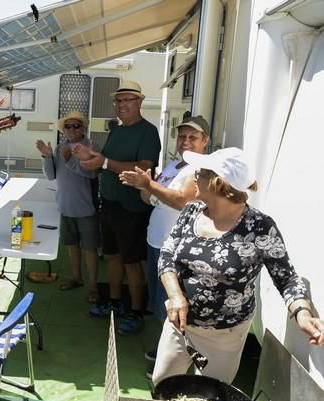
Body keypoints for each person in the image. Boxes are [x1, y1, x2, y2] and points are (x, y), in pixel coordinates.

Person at [153, 147, 324, 385]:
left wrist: (302, 314)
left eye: (201, 171)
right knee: (163, 383)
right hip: (180, 327)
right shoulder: (192, 211)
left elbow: (286, 278)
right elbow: (167, 254)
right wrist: (174, 295)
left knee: (210, 398)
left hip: (225, 337)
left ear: (217, 183)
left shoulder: (259, 227)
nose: (194, 175)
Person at [119, 115, 210, 378]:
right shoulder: (173, 164)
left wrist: (149, 185)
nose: (186, 141)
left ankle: (174, 366)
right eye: (182, 136)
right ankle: (166, 352)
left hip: (177, 250)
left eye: (193, 137)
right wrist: (146, 187)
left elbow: (182, 201)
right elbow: (151, 198)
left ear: (205, 141)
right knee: (161, 305)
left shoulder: (199, 169)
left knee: (173, 305)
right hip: (157, 241)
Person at [73, 80, 161, 335]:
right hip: (110, 205)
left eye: (128, 100)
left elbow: (144, 169)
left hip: (131, 208)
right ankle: (113, 303)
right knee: (113, 257)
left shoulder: (148, 132)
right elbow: (105, 164)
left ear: (140, 103)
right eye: (118, 101)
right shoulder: (117, 131)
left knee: (132, 262)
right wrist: (87, 158)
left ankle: (135, 311)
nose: (122, 105)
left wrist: (104, 162)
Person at [36, 111, 101, 302]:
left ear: (83, 128)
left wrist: (70, 160)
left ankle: (94, 286)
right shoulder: (60, 148)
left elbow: (92, 174)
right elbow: (51, 175)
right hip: (65, 207)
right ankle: (76, 278)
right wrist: (47, 157)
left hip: (86, 208)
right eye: (68, 126)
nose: (72, 129)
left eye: (76, 126)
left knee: (90, 248)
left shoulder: (92, 146)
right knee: (72, 245)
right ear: (63, 130)